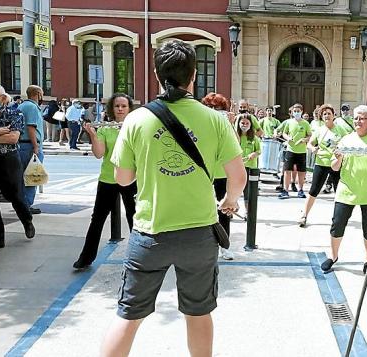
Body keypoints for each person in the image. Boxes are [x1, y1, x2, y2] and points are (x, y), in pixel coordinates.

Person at [101, 40, 246, 356]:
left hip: (150, 233)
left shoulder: (137, 119)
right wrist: (229, 201)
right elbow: (238, 178)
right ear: (194, 76)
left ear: (156, 74)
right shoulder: (215, 120)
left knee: (129, 315)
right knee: (198, 312)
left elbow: (123, 178)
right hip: (198, 233)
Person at [320, 105, 367, 274]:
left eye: (362, 118)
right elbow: (335, 168)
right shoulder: (345, 140)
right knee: (337, 224)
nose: (358, 121)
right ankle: (333, 255)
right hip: (346, 191)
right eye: (356, 118)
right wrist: (337, 159)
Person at [72, 93, 137, 270]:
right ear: (112, 109)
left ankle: (139, 258)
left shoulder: (136, 128)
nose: (121, 109)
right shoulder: (105, 128)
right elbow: (99, 153)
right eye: (117, 106)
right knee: (98, 218)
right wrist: (92, 135)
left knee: (136, 218)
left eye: (124, 106)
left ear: (130, 108)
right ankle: (86, 258)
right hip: (108, 179)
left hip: (132, 179)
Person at [0, 83, 35, 253]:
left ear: (2, 97)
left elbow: (13, 138)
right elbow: (5, 135)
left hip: (8, 160)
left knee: (15, 195)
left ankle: (26, 220)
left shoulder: (14, 112)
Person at [201, 92, 237, 261]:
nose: (214, 111)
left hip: (222, 173)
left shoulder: (226, 125)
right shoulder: (200, 123)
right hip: (203, 173)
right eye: (210, 107)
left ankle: (224, 246)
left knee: (224, 211)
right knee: (202, 210)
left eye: (218, 108)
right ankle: (204, 245)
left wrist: (230, 124)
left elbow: (236, 145)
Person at [299, 104, 347, 227]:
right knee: (314, 190)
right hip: (321, 162)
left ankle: (338, 218)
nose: (326, 116)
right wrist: (312, 148)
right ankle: (304, 215)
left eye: (329, 114)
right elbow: (310, 143)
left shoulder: (340, 129)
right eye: (324, 114)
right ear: (321, 116)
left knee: (339, 191)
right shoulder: (319, 130)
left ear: (333, 116)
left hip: (336, 163)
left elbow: (347, 143)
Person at [17, 85, 46, 214]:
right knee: (32, 176)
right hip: (30, 145)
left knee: (22, 176)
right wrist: (36, 146)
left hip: (21, 145)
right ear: (38, 94)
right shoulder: (32, 107)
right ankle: (27, 204)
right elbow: (31, 128)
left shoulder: (21, 106)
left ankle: (22, 203)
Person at [278, 103, 312, 199]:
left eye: (298, 111)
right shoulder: (289, 122)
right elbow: (284, 133)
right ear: (292, 112)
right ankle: (285, 190)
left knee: (301, 172)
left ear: (301, 111)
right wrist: (287, 138)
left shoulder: (305, 123)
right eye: (295, 111)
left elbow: (310, 135)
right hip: (290, 150)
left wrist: (304, 140)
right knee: (287, 171)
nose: (297, 113)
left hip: (301, 151)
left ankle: (300, 190)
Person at [236, 113, 261, 215]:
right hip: (238, 167)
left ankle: (247, 211)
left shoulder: (254, 138)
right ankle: (233, 208)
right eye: (242, 123)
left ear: (250, 125)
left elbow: (259, 151)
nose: (244, 125)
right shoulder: (235, 137)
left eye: (247, 123)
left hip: (250, 167)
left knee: (248, 190)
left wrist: (253, 154)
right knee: (236, 188)